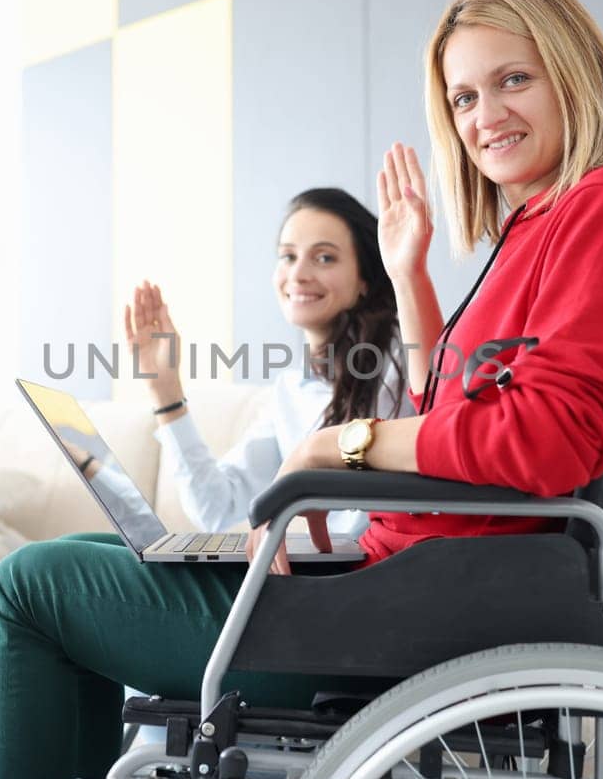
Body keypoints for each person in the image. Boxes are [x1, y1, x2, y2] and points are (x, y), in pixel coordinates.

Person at [0, 0, 603, 779]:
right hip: (414, 591)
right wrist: (411, 277)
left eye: (513, 80)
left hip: (405, 626)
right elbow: (463, 418)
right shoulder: (549, 219)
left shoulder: (601, 207)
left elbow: (547, 439)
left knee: (29, 586)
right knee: (93, 555)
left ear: (575, 71)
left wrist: (343, 441)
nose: (485, 116)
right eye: (463, 96)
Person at [125, 188, 410, 540]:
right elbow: (214, 507)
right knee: (96, 546)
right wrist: (165, 392)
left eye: (324, 258)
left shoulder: (399, 371)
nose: (299, 274)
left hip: (352, 577)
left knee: (58, 563)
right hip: (300, 572)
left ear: (364, 281)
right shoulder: (292, 390)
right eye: (288, 256)